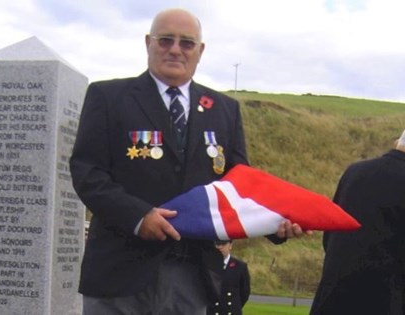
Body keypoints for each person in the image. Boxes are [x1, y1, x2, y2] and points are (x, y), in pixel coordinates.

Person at [70, 8, 305, 315]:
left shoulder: (224, 109)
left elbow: (239, 186)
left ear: (200, 50)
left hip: (192, 275)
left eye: (187, 43)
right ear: (148, 43)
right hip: (120, 272)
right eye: (165, 40)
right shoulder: (108, 97)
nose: (175, 50)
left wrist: (277, 223)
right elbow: (87, 172)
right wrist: (139, 216)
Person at [310, 130, 405, 315]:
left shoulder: (355, 172)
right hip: (386, 302)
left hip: (333, 297)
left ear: (397, 142)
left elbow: (330, 234)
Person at [207, 240, 250, 315]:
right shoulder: (207, 266)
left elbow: (245, 292)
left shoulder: (240, 266)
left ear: (230, 245)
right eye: (217, 244)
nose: (220, 247)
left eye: (223, 244)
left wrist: (235, 307)